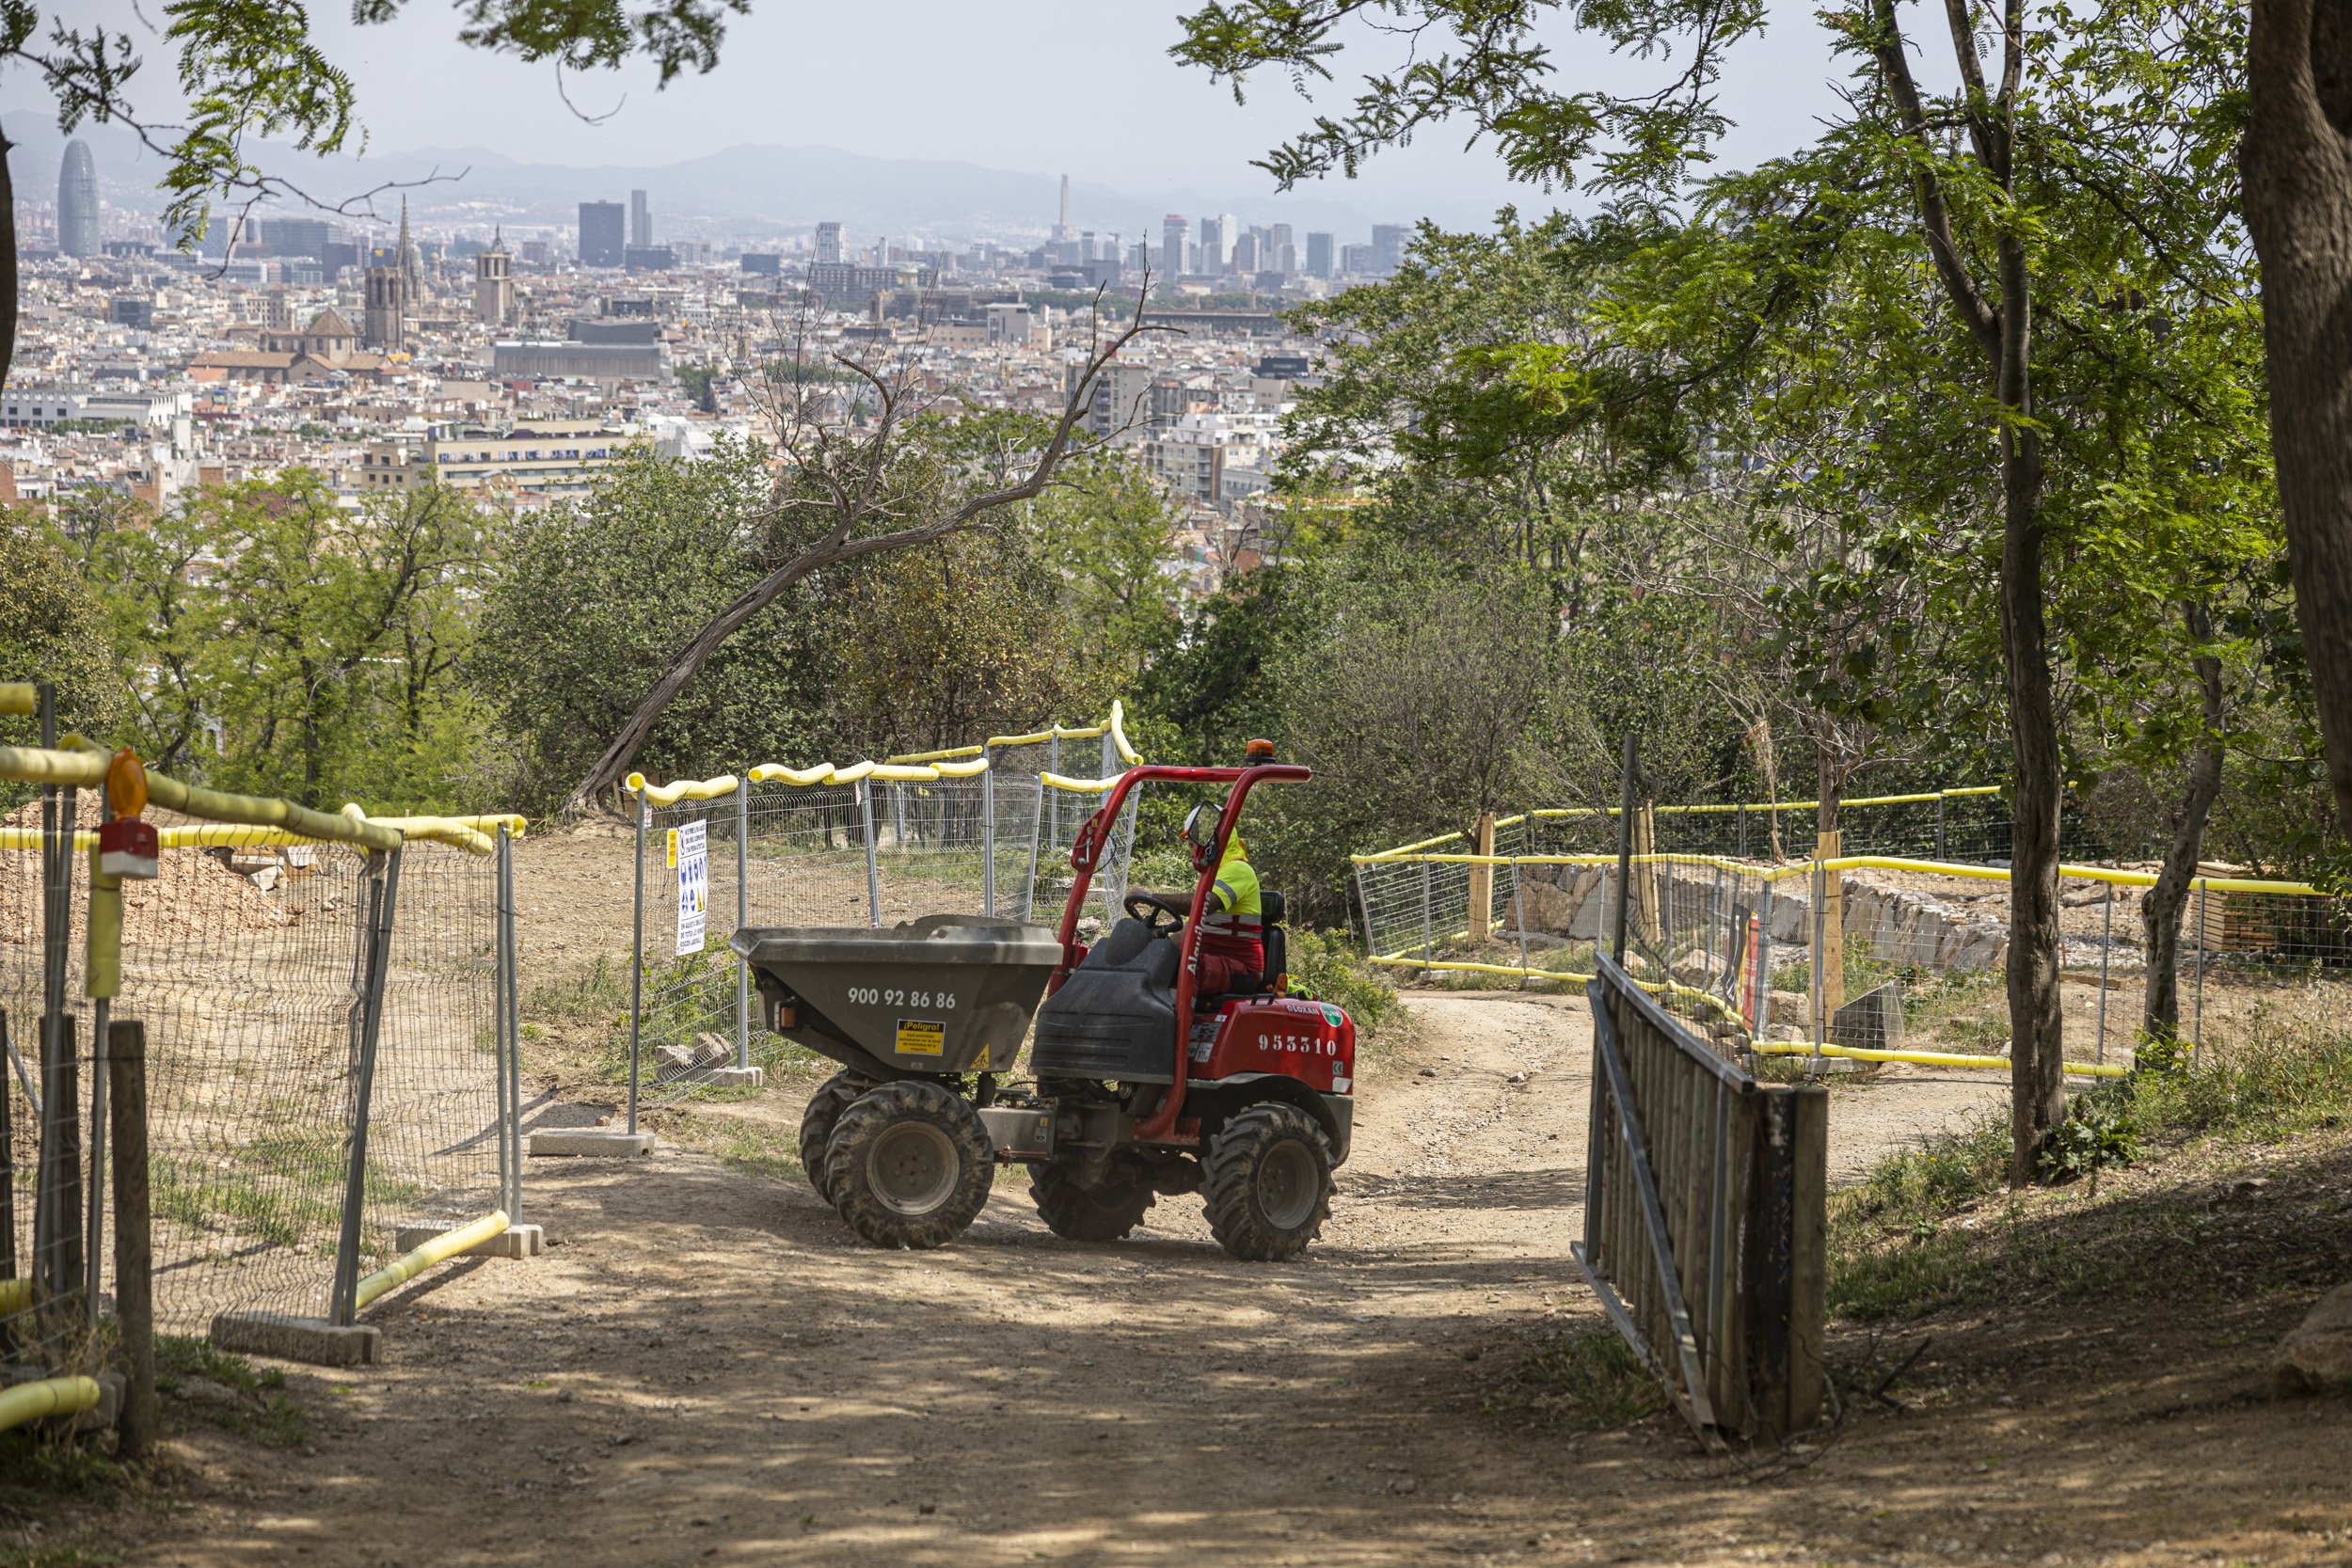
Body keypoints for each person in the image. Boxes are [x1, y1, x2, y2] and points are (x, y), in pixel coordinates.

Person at [1163, 802, 1264, 998]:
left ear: (1207, 842)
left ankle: (1171, 1023)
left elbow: (1204, 905)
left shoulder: (1238, 870)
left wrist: (1150, 897)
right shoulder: (1215, 875)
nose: (1192, 852)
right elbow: (1190, 929)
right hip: (1215, 960)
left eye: (1192, 845)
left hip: (1242, 970)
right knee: (1161, 958)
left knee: (1187, 967)